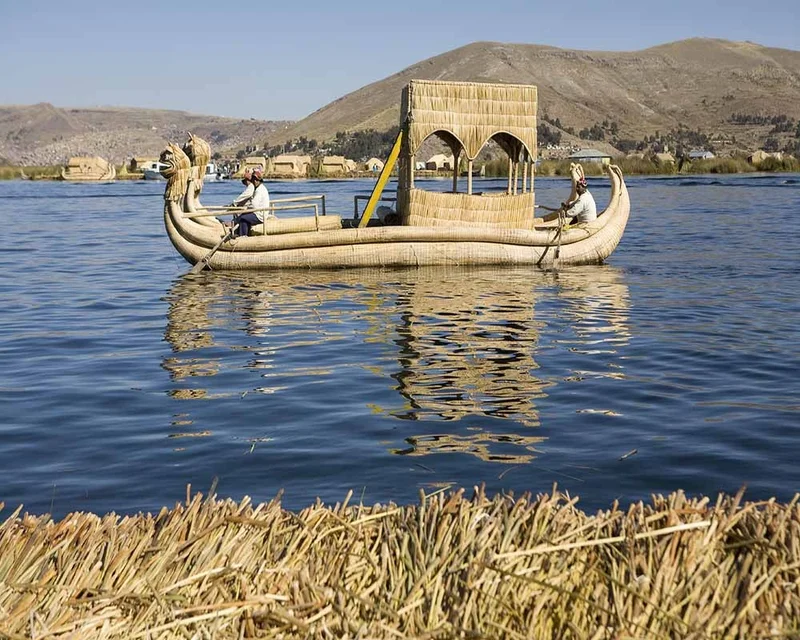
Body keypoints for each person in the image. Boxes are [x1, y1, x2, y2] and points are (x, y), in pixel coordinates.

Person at [234, 166, 273, 237]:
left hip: (260, 215)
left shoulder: (259, 190)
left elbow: (254, 205)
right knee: (244, 217)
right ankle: (242, 233)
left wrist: (245, 209)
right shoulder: (258, 189)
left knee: (243, 218)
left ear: (259, 180)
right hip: (258, 212)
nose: (255, 181)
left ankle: (243, 236)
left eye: (256, 180)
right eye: (254, 179)